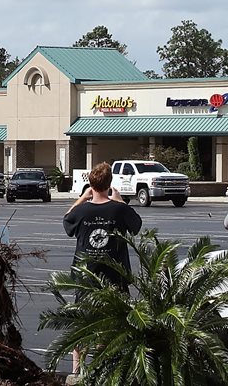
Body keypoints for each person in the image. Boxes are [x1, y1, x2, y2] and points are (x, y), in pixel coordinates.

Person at [62, 162, 143, 381]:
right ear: (110, 183)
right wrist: (118, 200)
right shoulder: (119, 209)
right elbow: (136, 224)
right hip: (114, 277)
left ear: (90, 184)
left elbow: (67, 220)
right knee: (114, 324)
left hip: (85, 278)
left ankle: (76, 370)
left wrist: (83, 198)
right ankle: (108, 367)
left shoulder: (82, 211)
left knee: (82, 323)